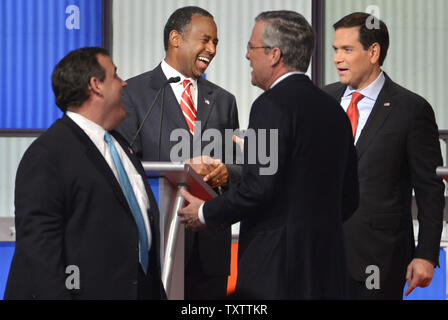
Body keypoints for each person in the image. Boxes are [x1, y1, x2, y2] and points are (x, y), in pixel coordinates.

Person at [178, 10, 359, 299]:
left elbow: (258, 189)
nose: (247, 56)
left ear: (274, 54)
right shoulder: (335, 111)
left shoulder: (270, 106)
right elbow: (350, 197)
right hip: (328, 269)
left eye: (252, 48)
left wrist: (204, 212)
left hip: (277, 272)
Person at [4, 47, 166, 300]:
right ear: (96, 85)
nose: (124, 83)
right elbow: (39, 250)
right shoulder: (48, 154)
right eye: (115, 75)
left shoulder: (122, 146)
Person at [116, 6, 240, 299]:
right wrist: (181, 168)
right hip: (154, 247)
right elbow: (123, 165)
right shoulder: (132, 93)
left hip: (210, 249)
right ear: (176, 38)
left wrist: (226, 173)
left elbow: (239, 165)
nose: (211, 49)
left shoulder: (224, 100)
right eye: (205, 40)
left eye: (216, 43)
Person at [323, 12, 445, 299]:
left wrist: (426, 253)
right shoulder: (323, 101)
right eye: (335, 49)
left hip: (379, 260)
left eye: (347, 49)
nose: (337, 58)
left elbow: (430, 188)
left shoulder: (411, 110)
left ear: (373, 52)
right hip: (319, 254)